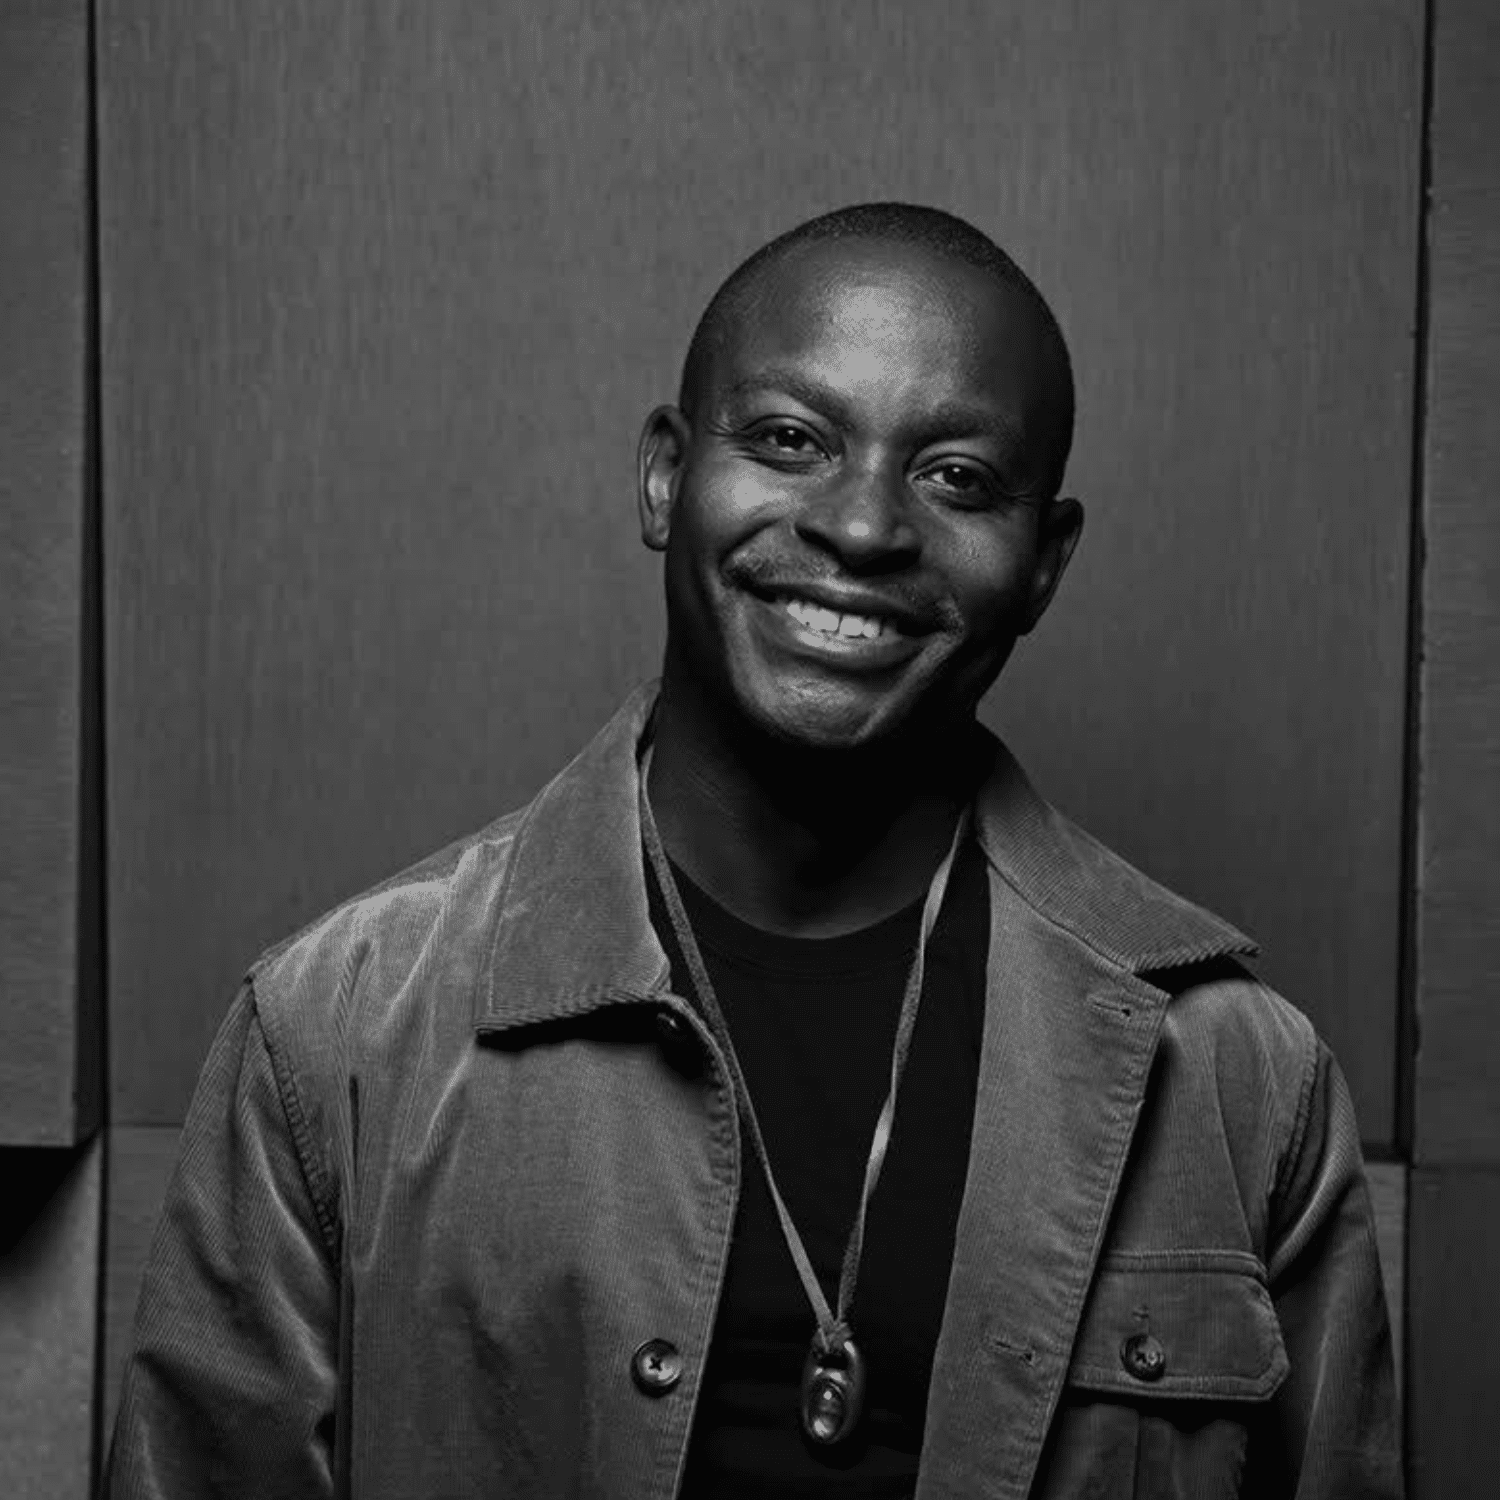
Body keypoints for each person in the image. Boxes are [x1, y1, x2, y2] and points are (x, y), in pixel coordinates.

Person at [106, 203, 1401, 1498]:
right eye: (792, 440)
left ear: (1044, 564)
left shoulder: (1241, 1082)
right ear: (667, 477)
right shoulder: (336, 1033)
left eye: (956, 476)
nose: (863, 526)